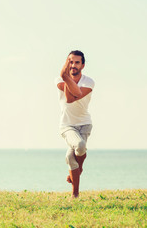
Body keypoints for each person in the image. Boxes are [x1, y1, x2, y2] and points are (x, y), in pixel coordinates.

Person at [55, 50, 94, 198]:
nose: (73, 65)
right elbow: (68, 97)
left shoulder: (89, 82)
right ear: (66, 63)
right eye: (70, 62)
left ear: (83, 65)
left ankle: (76, 187)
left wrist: (66, 76)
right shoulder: (59, 80)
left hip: (85, 124)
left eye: (77, 62)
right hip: (67, 126)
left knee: (71, 158)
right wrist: (65, 76)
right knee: (80, 146)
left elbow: (75, 95)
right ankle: (77, 184)